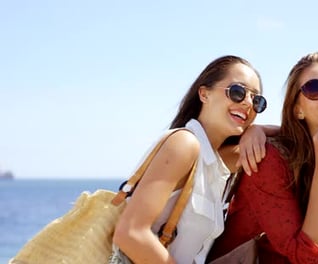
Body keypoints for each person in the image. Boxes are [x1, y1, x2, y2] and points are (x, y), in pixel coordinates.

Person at [111, 55, 267, 264]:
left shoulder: (218, 162)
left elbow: (294, 138)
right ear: (204, 94)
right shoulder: (184, 144)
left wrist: (259, 129)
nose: (248, 103)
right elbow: (130, 234)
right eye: (238, 92)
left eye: (257, 100)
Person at [207, 52, 318, 264]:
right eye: (314, 89)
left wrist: (262, 128)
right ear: (297, 110)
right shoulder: (269, 159)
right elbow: (306, 256)